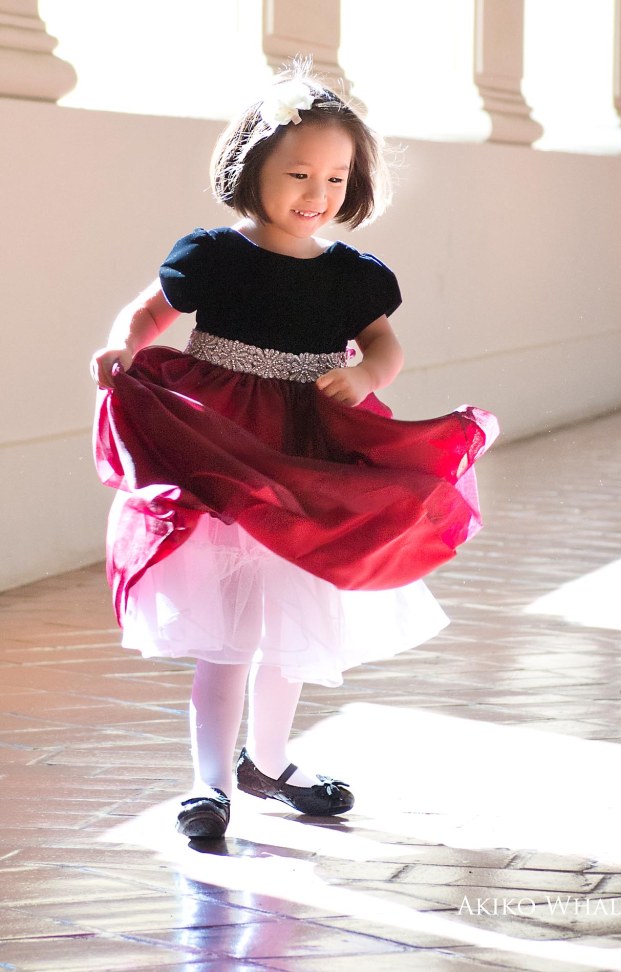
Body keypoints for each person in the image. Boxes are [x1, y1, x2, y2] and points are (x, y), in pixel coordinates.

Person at [90, 62, 498, 840]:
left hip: (311, 445)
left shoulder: (354, 275)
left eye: (337, 178)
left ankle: (269, 761)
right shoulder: (214, 255)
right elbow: (148, 312)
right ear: (253, 168)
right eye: (299, 173)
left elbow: (387, 346)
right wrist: (120, 347)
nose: (317, 193)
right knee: (229, 629)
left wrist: (365, 374)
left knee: (294, 616)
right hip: (225, 439)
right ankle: (209, 783)